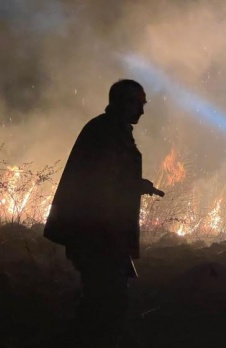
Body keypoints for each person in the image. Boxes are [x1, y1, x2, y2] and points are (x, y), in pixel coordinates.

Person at [44, 79, 164, 347]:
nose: (142, 112)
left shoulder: (112, 129)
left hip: (102, 234)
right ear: (122, 102)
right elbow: (100, 183)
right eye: (138, 104)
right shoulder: (106, 132)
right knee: (106, 301)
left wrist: (137, 186)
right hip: (96, 235)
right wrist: (136, 185)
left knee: (102, 299)